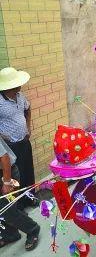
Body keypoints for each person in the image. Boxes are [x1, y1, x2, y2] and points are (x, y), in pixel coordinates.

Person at [0, 67, 39, 210]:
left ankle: (31, 198)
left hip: (24, 142)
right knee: (17, 176)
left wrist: (28, 127)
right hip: (9, 146)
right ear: (9, 86)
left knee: (28, 172)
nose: (20, 85)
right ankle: (20, 205)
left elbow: (27, 109)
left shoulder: (20, 96)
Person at [0, 136, 40, 251]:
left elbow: (5, 158)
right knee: (2, 210)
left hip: (7, 175)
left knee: (8, 211)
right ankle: (11, 235)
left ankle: (33, 229)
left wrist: (7, 182)